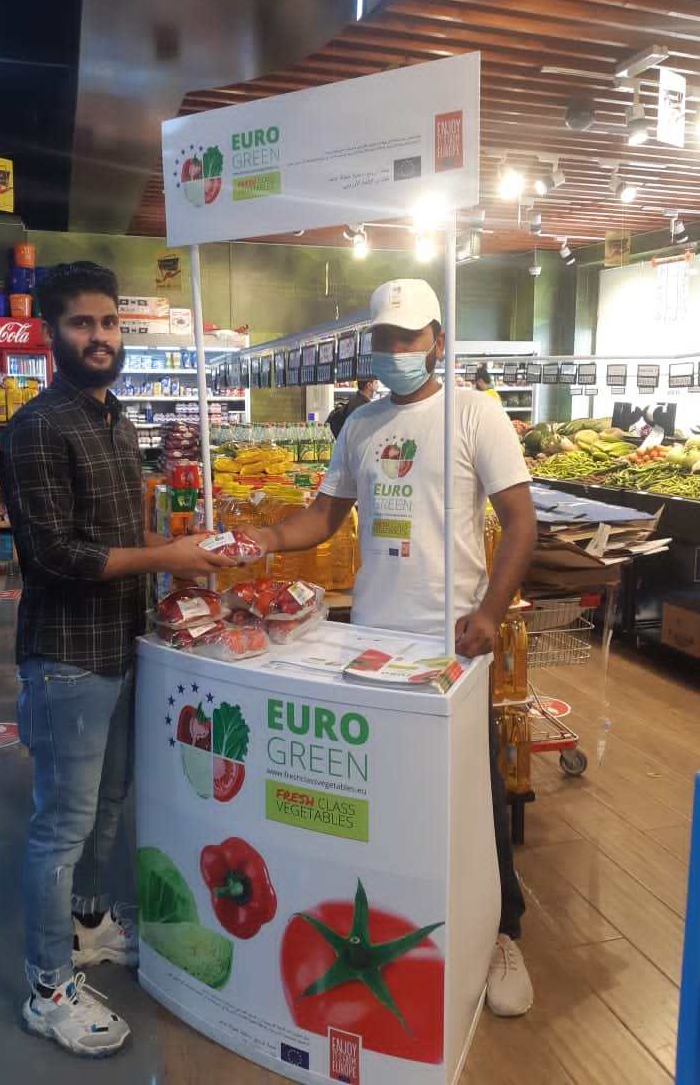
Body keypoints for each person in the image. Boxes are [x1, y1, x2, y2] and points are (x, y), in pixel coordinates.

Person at [245, 278, 537, 1017]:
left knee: (474, 791)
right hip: (373, 641)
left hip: (451, 643)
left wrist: (490, 611)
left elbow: (521, 521)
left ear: (437, 340)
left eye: (409, 337)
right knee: (392, 790)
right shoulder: (361, 423)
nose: (396, 350)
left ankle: (503, 930)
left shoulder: (475, 414)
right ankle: (407, 916)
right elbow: (324, 516)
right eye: (384, 338)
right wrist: (266, 538)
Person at [0, 261, 234, 1058]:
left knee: (108, 806)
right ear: (51, 333)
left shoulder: (116, 419)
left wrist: (181, 559)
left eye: (108, 323)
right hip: (67, 658)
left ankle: (89, 923)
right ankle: (47, 987)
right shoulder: (38, 427)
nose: (99, 337)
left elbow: (123, 536)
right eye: (81, 324)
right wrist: (167, 556)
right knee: (61, 827)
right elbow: (55, 556)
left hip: (124, 644)